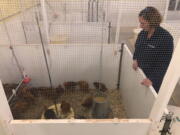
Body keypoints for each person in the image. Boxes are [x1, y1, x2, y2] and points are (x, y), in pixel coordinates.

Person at [133, 7, 174, 93]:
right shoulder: (143, 33)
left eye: (143, 23)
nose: (140, 26)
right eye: (140, 23)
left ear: (152, 22)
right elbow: (137, 47)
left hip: (153, 78)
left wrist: (152, 79)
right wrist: (135, 59)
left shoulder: (165, 38)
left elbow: (164, 63)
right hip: (141, 71)